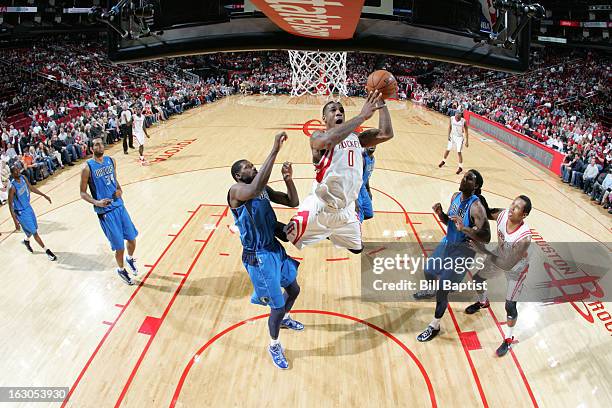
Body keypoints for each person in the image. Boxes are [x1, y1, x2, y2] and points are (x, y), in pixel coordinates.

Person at [228, 132, 303, 370]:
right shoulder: (237, 191)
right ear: (240, 175)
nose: (253, 168)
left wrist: (288, 179)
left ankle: (284, 321)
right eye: (249, 167)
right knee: (277, 305)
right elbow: (255, 185)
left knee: (293, 288)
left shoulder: (261, 188)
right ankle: (273, 345)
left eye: (253, 166)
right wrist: (274, 150)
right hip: (258, 257)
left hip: (273, 247)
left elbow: (292, 202)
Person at [285, 90, 393, 253]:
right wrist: (362, 116)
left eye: (341, 110)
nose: (338, 112)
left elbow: (386, 133)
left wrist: (381, 101)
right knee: (287, 234)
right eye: (333, 110)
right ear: (324, 118)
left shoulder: (357, 137)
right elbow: (329, 140)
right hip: (321, 207)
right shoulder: (318, 136)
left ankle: (330, 232)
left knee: (357, 249)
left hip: (346, 209)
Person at [415, 169, 491, 342]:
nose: (464, 179)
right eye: (464, 176)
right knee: (428, 271)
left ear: (476, 186)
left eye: (469, 179)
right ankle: (432, 289)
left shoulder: (477, 207)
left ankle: (435, 325)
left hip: (463, 251)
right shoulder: (455, 196)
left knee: (443, 288)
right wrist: (441, 213)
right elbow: (449, 221)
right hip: (447, 242)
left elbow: (486, 237)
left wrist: (464, 229)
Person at [465, 195, 532, 357]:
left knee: (510, 305)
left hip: (516, 268)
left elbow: (507, 265)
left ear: (524, 215)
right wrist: (476, 198)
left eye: (516, 207)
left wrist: (483, 250)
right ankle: (483, 302)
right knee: (478, 279)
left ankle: (508, 339)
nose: (511, 208)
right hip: (499, 255)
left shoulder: (525, 237)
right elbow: (486, 213)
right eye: (512, 203)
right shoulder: (503, 215)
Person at [80, 137, 139, 285]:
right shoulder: (87, 168)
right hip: (106, 212)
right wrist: (97, 202)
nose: (100, 145)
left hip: (119, 205)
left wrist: (119, 189)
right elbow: (82, 193)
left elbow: (114, 179)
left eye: (101, 143)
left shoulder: (111, 161)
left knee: (132, 238)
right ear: (91, 149)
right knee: (119, 246)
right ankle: (120, 269)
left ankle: (130, 259)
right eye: (96, 144)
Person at [7, 165, 57, 260]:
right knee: (35, 232)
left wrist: (44, 195)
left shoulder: (23, 178)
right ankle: (48, 252)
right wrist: (15, 222)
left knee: (32, 230)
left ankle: (26, 240)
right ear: (12, 174)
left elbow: (32, 188)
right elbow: (10, 206)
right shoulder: (12, 188)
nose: (18, 172)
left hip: (28, 208)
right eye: (15, 171)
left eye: (18, 170)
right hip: (21, 212)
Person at [439, 110, 469, 175]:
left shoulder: (463, 121)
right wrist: (448, 135)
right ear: (455, 115)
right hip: (452, 136)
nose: (458, 118)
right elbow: (450, 127)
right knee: (448, 149)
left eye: (459, 116)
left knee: (459, 152)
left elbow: (466, 131)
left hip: (459, 138)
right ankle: (443, 161)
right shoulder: (452, 118)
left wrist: (467, 141)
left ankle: (460, 167)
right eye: (457, 116)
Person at [357, 146, 375, 222]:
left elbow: (367, 176)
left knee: (369, 214)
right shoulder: (361, 158)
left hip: (363, 187)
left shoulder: (372, 158)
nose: (372, 145)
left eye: (375, 144)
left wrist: (368, 190)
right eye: (371, 143)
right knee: (358, 216)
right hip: (356, 189)